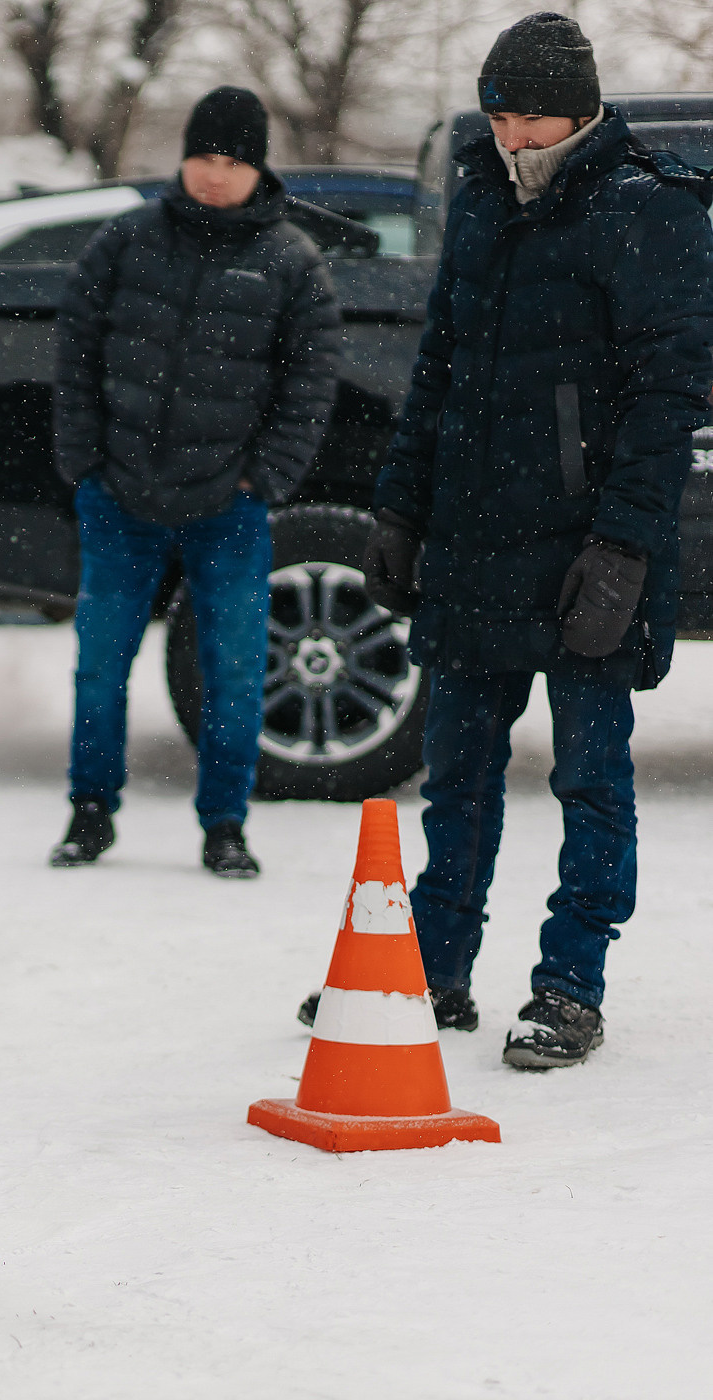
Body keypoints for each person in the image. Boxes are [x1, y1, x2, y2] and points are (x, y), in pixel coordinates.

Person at [346, 13, 713, 1068]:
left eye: (530, 112)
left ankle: (570, 983)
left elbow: (663, 398)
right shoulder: (482, 200)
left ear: (583, 106)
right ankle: (433, 965)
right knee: (457, 770)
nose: (511, 133)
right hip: (473, 533)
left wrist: (626, 548)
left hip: (587, 545)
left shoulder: (652, 212)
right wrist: (401, 506)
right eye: (499, 112)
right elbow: (440, 373)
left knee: (590, 775)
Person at [48, 86, 342, 879]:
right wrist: (84, 461)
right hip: (120, 495)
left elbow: (311, 383)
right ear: (182, 159)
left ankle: (225, 824)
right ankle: (89, 811)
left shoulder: (290, 260)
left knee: (236, 668)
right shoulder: (126, 242)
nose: (215, 175)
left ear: (257, 168)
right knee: (100, 663)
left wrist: (265, 477)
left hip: (229, 506)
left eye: (233, 161)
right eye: (204, 158)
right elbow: (75, 348)